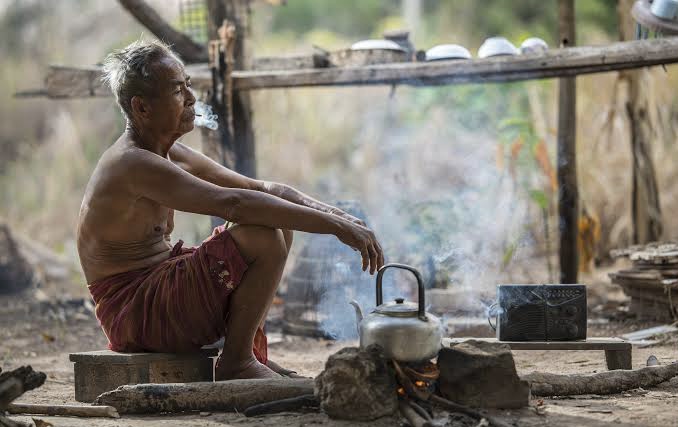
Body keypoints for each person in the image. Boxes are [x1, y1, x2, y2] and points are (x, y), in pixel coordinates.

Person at [76, 39, 384, 380]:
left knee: (278, 224)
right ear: (142, 108)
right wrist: (334, 229)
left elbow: (261, 189)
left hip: (159, 292)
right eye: (178, 91)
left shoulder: (169, 153)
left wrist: (341, 219)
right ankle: (237, 362)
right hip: (135, 312)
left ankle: (248, 353)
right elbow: (234, 204)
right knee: (259, 235)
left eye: (188, 86)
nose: (192, 99)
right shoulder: (132, 163)